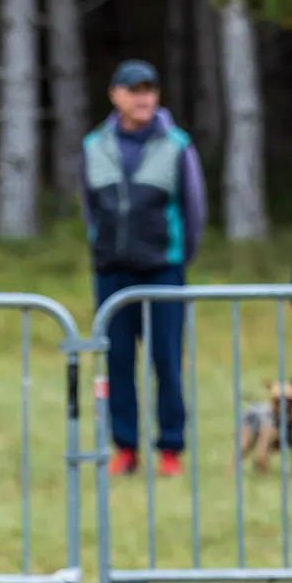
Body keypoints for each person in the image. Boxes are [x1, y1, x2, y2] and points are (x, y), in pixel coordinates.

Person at [81, 58, 207, 477]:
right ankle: (126, 448)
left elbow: (194, 208)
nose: (144, 98)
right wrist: (102, 248)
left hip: (162, 272)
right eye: (135, 91)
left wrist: (175, 258)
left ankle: (170, 449)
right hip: (112, 272)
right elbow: (89, 209)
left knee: (166, 361)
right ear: (116, 95)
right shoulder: (94, 145)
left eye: (150, 91)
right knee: (117, 362)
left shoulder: (177, 144)